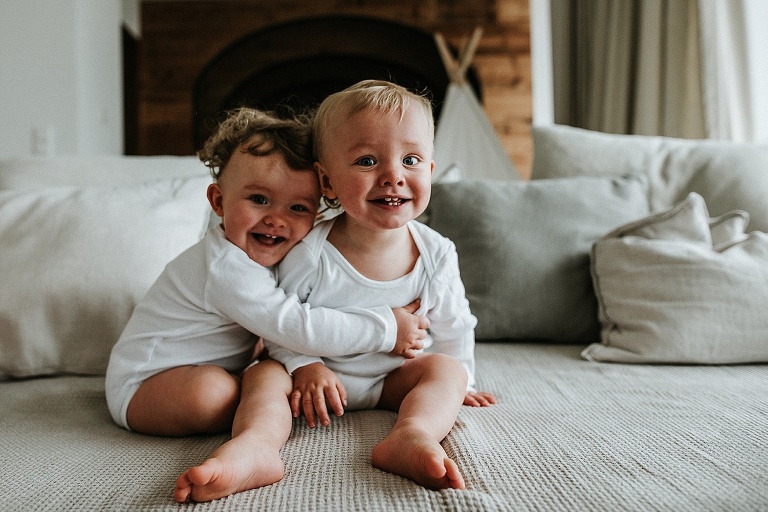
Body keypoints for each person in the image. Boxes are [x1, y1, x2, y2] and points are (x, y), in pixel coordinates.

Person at [104, 107, 430, 503]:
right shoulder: (224, 266)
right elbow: (291, 323)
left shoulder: (271, 260)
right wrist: (385, 328)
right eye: (260, 199)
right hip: (143, 385)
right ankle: (254, 433)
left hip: (192, 370)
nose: (277, 220)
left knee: (264, 374)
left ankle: (258, 435)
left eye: (297, 208)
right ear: (219, 201)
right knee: (217, 393)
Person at [264, 80, 497, 492]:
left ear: (430, 170)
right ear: (328, 181)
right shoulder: (310, 251)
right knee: (262, 377)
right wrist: (304, 365)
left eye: (410, 159)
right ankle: (257, 446)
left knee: (446, 370)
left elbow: (454, 326)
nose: (393, 176)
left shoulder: (436, 252)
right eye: (368, 161)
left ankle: (412, 433)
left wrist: (465, 382)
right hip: (320, 382)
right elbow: (278, 320)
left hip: (394, 379)